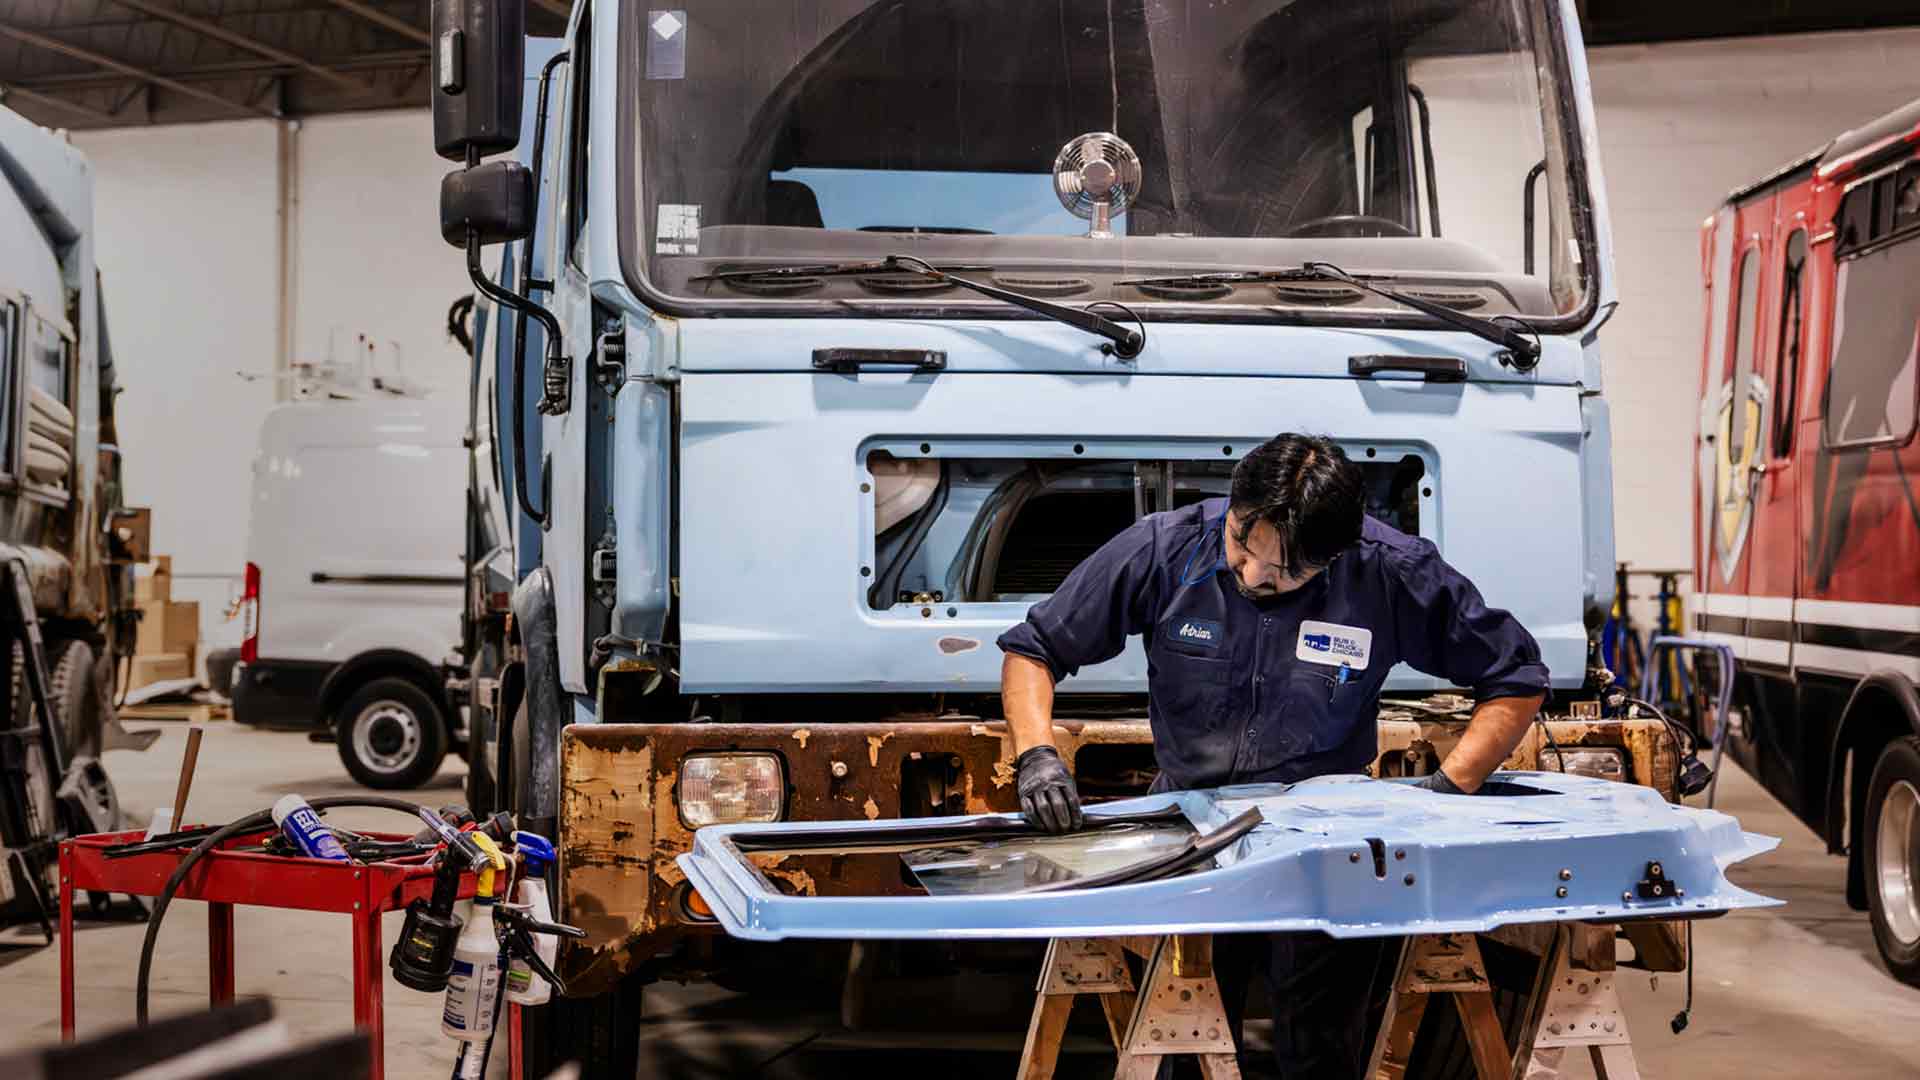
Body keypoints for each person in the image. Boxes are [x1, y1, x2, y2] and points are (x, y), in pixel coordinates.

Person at [997, 433, 1549, 1077]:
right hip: (1189, 837)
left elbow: (1515, 674)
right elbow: (1034, 648)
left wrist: (1451, 790)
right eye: (1241, 546)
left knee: (1321, 1046)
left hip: (1328, 847)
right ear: (1233, 509)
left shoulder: (1391, 570)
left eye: (1287, 571)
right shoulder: (1163, 547)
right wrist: (1037, 753)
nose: (1253, 576)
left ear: (1338, 556)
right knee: (1181, 1037)